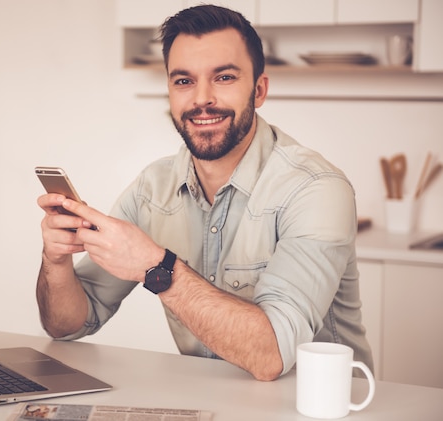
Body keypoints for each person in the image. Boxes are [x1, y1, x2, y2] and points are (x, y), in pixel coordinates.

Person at [36, 4, 373, 381]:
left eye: (224, 77)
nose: (201, 99)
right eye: (183, 81)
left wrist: (156, 267)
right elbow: (67, 325)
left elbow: (272, 355)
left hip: (321, 407)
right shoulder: (153, 188)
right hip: (211, 402)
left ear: (258, 89)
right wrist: (56, 260)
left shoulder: (316, 189)